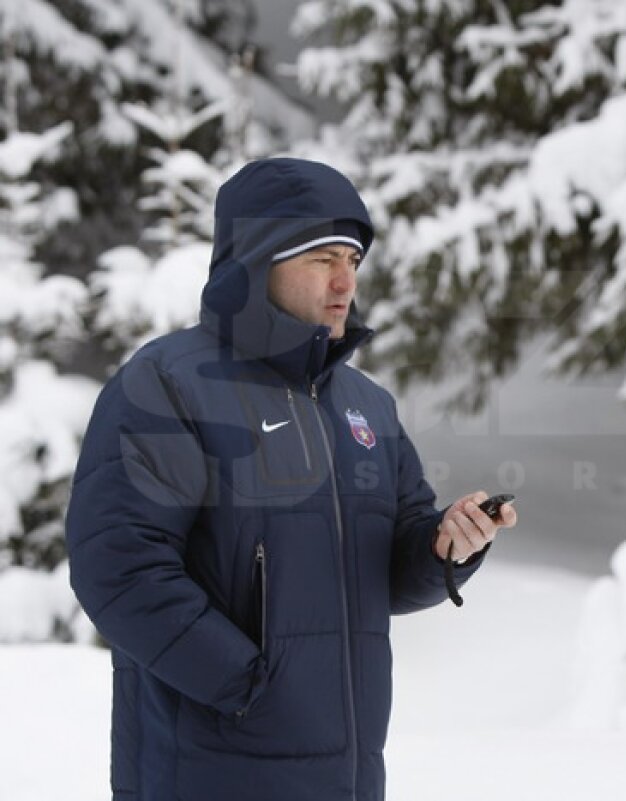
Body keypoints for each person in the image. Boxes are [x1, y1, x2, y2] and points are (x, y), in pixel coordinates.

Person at [65, 157, 517, 801]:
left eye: (353, 262)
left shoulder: (365, 404)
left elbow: (385, 568)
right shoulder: (169, 383)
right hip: (206, 770)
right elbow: (118, 566)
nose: (344, 282)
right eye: (320, 259)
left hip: (347, 773)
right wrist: (248, 685)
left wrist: (449, 545)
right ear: (258, 262)